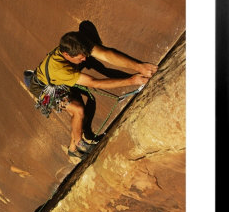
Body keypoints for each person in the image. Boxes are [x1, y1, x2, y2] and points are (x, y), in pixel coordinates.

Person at [29, 31, 158, 159]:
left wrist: (139, 67)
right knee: (78, 110)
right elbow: (94, 83)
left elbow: (106, 54)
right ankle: (80, 144)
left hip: (55, 78)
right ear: (66, 55)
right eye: (80, 58)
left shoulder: (76, 43)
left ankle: (73, 149)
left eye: (84, 55)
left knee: (79, 113)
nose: (85, 59)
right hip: (43, 89)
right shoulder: (59, 69)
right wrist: (132, 80)